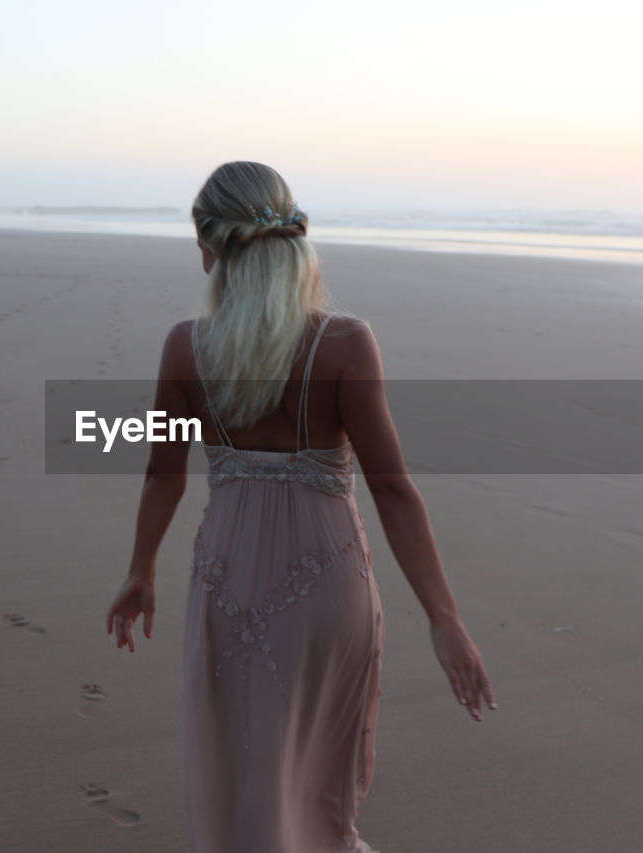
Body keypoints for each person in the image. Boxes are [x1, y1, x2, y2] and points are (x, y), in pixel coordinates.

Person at [105, 161, 496, 853]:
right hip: (327, 588)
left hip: (228, 583)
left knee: (241, 775)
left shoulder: (185, 346)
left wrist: (142, 568)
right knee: (318, 785)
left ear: (210, 248)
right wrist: (445, 616)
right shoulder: (344, 342)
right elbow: (393, 486)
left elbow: (161, 472)